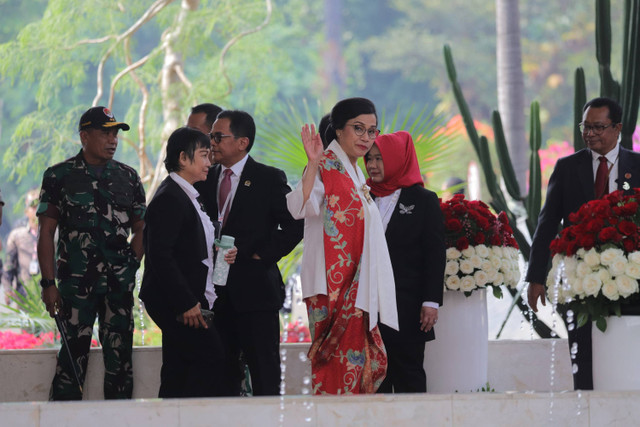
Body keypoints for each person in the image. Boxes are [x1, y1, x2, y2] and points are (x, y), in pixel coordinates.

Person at [286, 97, 399, 394]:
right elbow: (300, 206)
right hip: (331, 287)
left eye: (372, 131)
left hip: (357, 286)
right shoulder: (325, 165)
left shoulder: (355, 170)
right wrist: (312, 163)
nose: (366, 138)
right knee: (337, 370)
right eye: (358, 129)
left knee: (358, 369)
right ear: (338, 130)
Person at [526, 97, 640, 390]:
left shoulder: (637, 166)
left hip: (632, 285)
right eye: (585, 127)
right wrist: (536, 277)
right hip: (580, 282)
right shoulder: (567, 168)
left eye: (598, 127)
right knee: (584, 358)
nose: (590, 134)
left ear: (617, 128)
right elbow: (547, 223)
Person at [37, 106, 146, 400]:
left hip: (117, 288)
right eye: (105, 133)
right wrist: (49, 284)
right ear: (84, 136)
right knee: (71, 363)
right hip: (75, 287)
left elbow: (142, 228)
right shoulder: (59, 176)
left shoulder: (129, 177)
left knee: (120, 364)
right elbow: (46, 232)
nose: (112, 140)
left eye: (115, 134)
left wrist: (131, 265)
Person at [194, 109, 303, 396]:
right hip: (215, 295)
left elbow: (294, 226)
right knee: (222, 373)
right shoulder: (205, 177)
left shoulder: (268, 178)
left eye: (219, 136)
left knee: (264, 373)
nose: (212, 143)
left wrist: (261, 256)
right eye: (210, 136)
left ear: (242, 142)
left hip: (255, 294)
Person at [140, 127, 236, 398]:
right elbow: (160, 256)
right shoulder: (170, 197)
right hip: (178, 302)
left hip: (190, 298)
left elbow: (191, 248)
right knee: (211, 358)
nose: (210, 162)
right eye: (204, 156)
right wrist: (185, 303)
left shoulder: (187, 194)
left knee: (178, 368)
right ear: (183, 158)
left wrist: (221, 253)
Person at [365, 131, 445, 393]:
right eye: (369, 158)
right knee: (375, 379)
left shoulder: (423, 200)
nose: (372, 165)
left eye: (379, 158)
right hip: (368, 306)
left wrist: (430, 301)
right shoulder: (363, 196)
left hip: (408, 307)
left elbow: (434, 254)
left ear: (397, 159)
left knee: (409, 375)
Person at [2, 189, 40, 304]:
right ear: (26, 211)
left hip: (48, 296)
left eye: (40, 206)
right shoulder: (17, 236)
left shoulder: (55, 234)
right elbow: (9, 266)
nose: (37, 210)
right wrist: (8, 289)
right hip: (24, 296)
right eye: (33, 207)